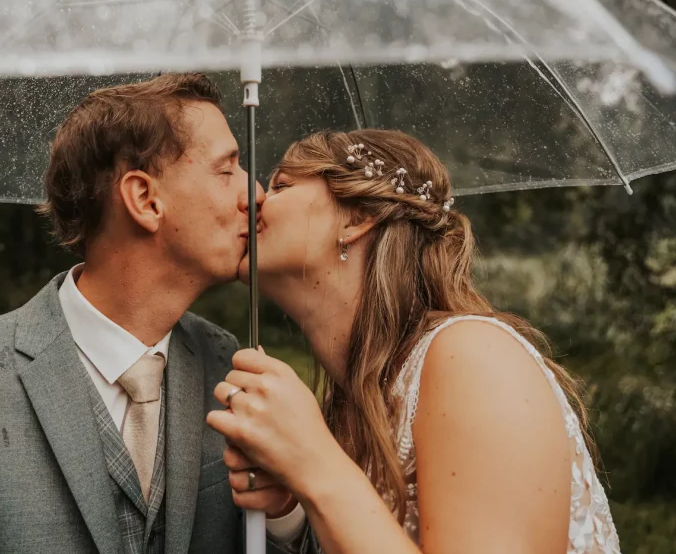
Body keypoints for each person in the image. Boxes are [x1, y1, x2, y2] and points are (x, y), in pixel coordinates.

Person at [0, 73, 304, 554]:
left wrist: (280, 514)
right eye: (226, 168)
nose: (254, 193)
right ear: (146, 199)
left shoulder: (232, 365)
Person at [207, 129, 621, 553]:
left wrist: (313, 462)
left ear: (356, 218)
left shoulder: (473, 358)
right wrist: (289, 509)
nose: (256, 197)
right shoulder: (351, 404)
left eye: (281, 185)